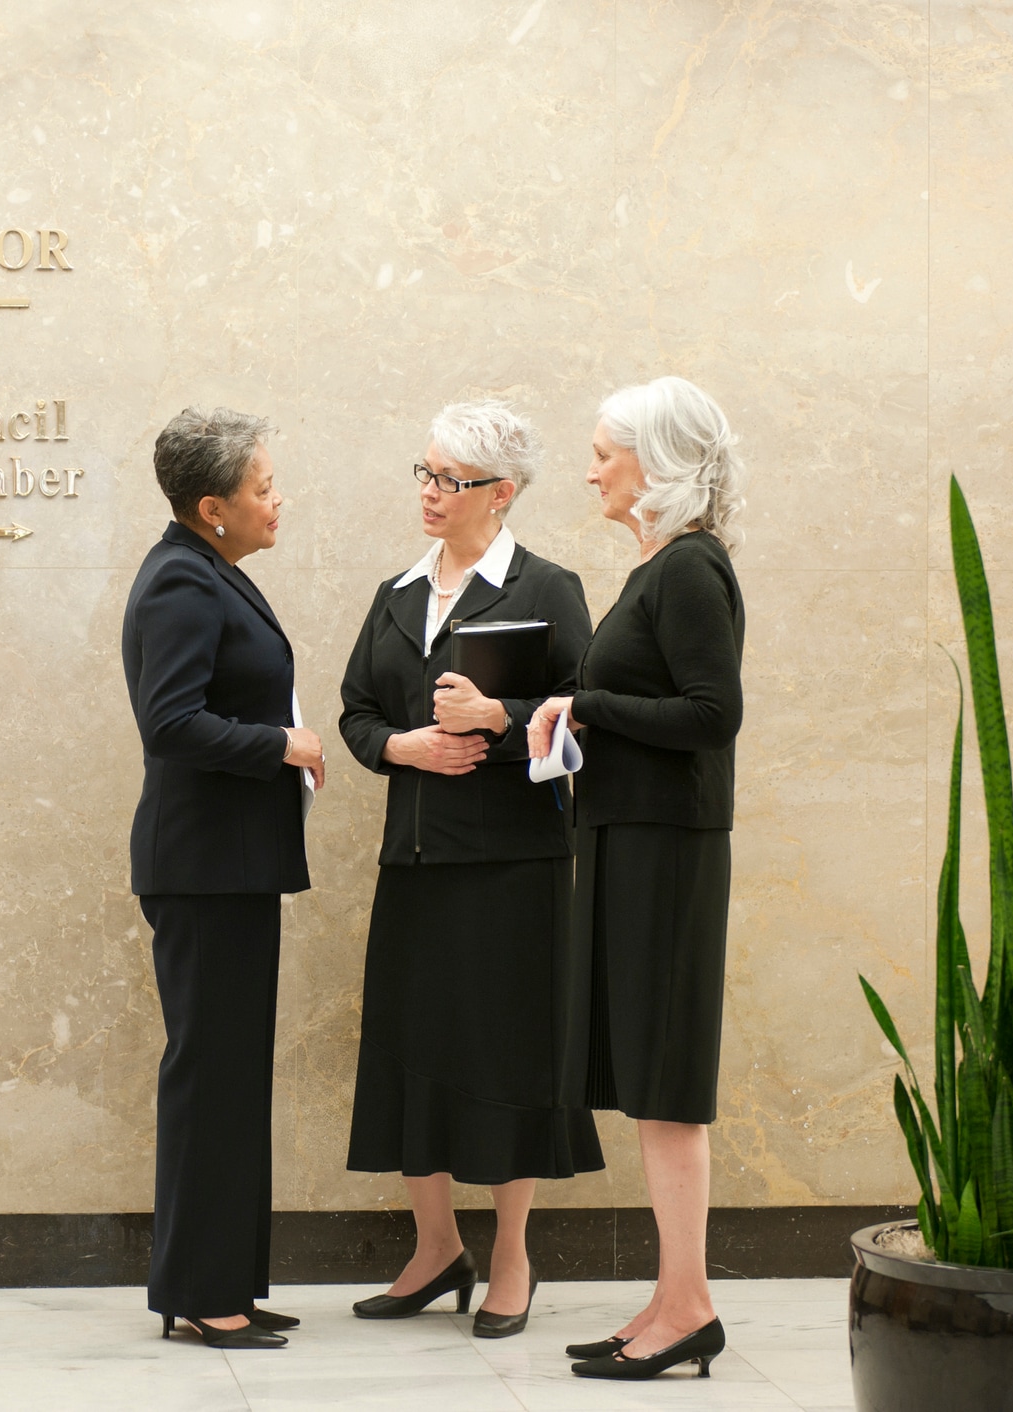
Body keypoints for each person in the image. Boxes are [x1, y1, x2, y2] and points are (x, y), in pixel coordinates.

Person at [336, 400, 602, 1340]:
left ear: (503, 492)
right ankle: (436, 1245)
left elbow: (587, 714)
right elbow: (357, 710)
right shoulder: (397, 593)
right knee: (415, 1052)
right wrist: (401, 748)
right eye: (425, 472)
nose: (430, 494)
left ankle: (514, 1257)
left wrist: (497, 720)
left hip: (513, 870)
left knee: (506, 1057)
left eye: (450, 480)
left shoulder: (549, 588)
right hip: (414, 862)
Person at [528, 376, 747, 1382]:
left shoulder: (691, 569)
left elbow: (712, 714)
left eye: (604, 452)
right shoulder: (657, 568)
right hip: (632, 842)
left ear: (654, 464)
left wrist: (592, 706)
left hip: (668, 850)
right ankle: (670, 1296)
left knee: (667, 1086)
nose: (589, 471)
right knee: (653, 1085)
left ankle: (689, 1304)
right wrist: (578, 710)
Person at [121, 407, 325, 1351]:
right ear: (213, 506)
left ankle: (227, 1279)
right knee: (210, 1077)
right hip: (202, 870)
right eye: (265, 488)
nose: (278, 500)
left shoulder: (211, 572)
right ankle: (200, 1293)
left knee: (235, 1078)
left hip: (232, 869)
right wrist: (280, 743)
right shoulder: (179, 581)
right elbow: (170, 725)